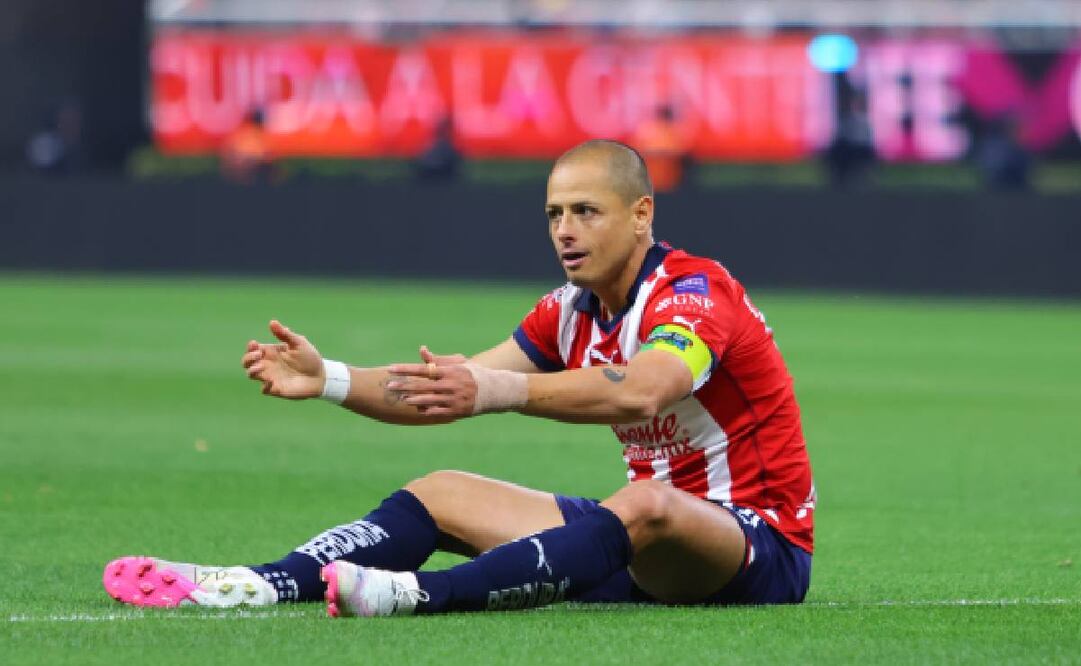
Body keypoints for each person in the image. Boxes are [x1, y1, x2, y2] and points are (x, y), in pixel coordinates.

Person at [103, 140, 815, 617]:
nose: (564, 230)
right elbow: (450, 387)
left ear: (640, 216)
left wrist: (497, 393)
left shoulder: (694, 291)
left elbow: (641, 389)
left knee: (646, 501)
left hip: (756, 545)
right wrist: (332, 380)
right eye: (553, 214)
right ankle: (259, 583)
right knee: (440, 491)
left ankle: (416, 595)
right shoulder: (566, 312)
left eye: (585, 212)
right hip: (636, 543)